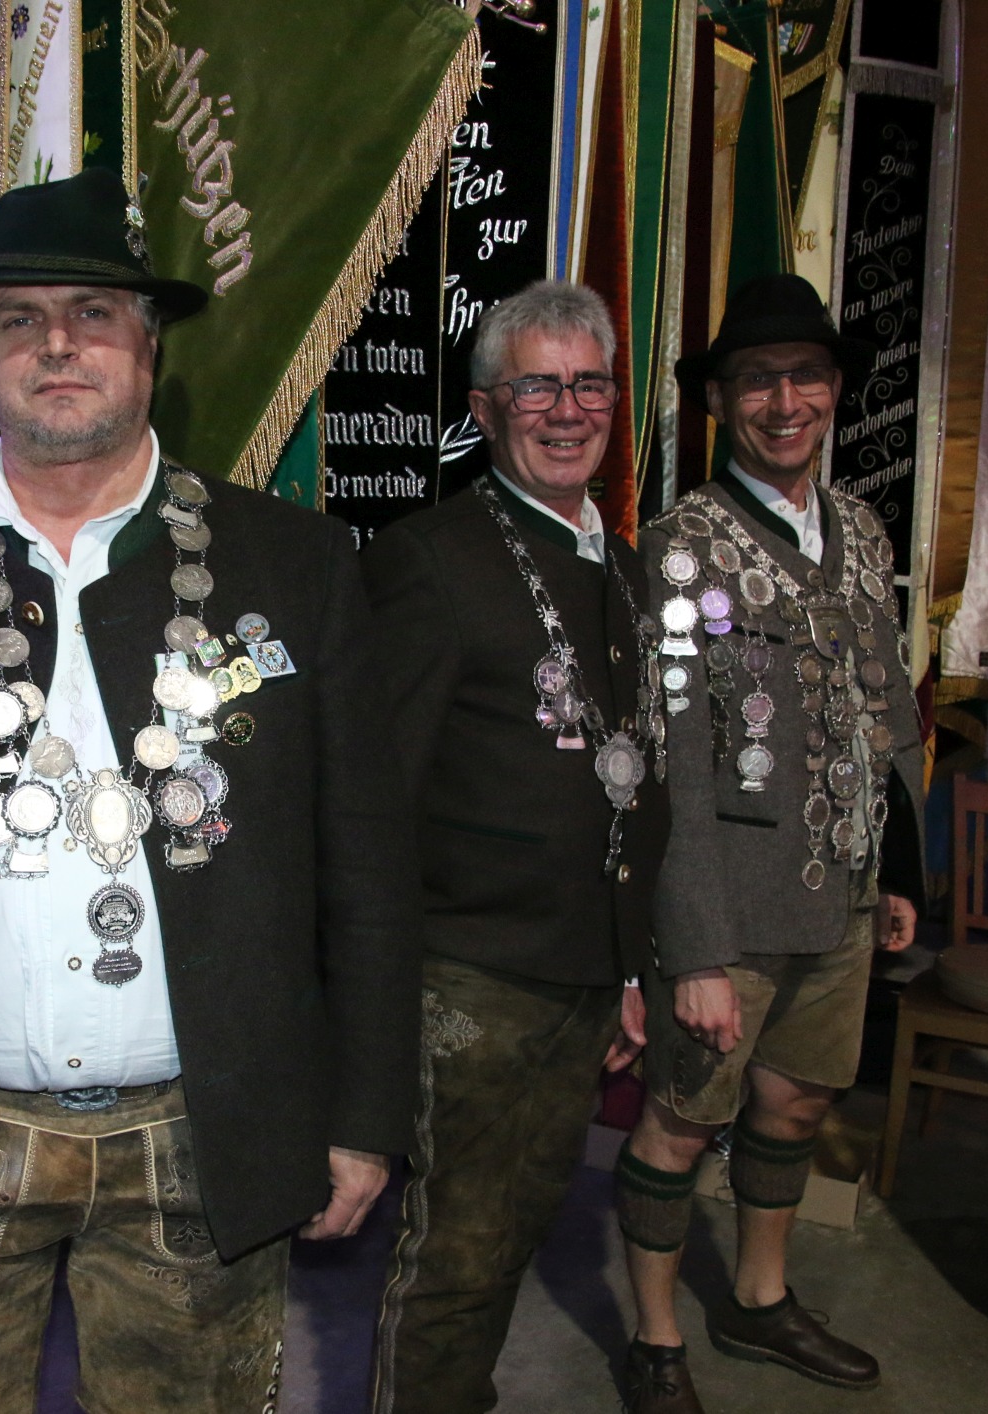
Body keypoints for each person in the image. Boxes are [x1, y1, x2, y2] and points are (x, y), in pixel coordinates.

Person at [0, 168, 419, 1411]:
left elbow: (368, 865)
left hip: (203, 1138)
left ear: (149, 348)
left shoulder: (295, 562)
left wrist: (363, 1111)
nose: (57, 343)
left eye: (94, 313)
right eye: (19, 316)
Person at [616, 275, 926, 1413]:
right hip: (732, 909)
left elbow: (887, 710)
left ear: (835, 390)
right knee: (681, 1121)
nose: (783, 402)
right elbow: (671, 765)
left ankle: (758, 1298)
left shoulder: (864, 530)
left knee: (795, 1104)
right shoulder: (681, 549)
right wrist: (693, 949)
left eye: (804, 377)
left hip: (842, 894)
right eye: (756, 381)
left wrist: (898, 875)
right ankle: (655, 1338)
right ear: (718, 401)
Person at [362, 282, 670, 1412]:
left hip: (583, 973)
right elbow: (374, 796)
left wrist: (630, 966)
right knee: (458, 1250)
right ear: (485, 408)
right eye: (536, 385)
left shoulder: (625, 569)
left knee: (516, 1227)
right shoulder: (430, 558)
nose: (566, 409)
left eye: (589, 385)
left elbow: (633, 782)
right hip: (471, 976)